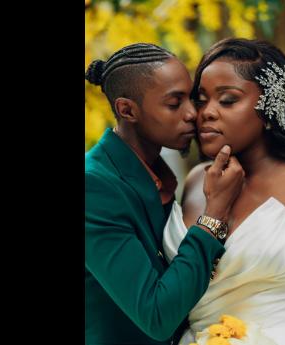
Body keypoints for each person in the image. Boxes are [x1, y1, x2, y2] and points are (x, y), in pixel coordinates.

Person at [85, 43, 244, 345]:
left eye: (192, 99)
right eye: (174, 104)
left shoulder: (161, 176)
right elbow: (156, 315)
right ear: (127, 110)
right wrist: (213, 215)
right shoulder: (94, 187)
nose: (192, 114)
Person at [162, 38, 285, 345]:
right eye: (201, 99)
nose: (206, 112)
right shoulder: (194, 181)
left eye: (227, 100)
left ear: (271, 108)